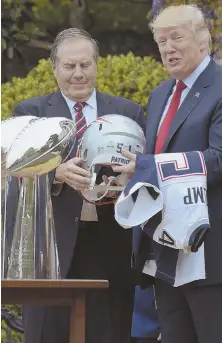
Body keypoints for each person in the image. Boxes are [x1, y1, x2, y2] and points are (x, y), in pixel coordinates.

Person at [112, 4, 222, 343]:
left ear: (204, 40)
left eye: (176, 38)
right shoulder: (160, 95)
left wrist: (147, 168)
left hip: (212, 252)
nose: (168, 48)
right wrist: (132, 177)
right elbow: (154, 163)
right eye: (161, 41)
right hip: (165, 251)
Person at [9, 28, 145, 343]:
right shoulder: (32, 114)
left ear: (97, 65)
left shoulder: (127, 112)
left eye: (86, 65)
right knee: (48, 334)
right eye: (70, 66)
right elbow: (16, 171)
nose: (78, 74)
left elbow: (145, 175)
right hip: (50, 248)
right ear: (54, 67)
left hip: (111, 244)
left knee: (109, 333)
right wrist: (55, 173)